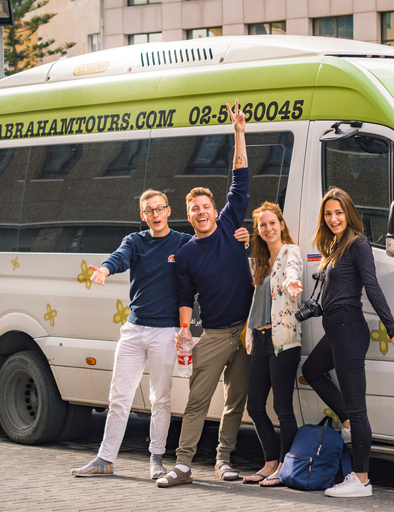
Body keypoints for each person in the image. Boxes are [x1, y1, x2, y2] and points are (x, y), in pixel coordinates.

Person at [71, 189, 249, 479]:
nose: (155, 214)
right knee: (118, 397)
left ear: (169, 211)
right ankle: (105, 458)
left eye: (160, 209)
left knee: (160, 399)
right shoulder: (134, 241)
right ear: (143, 216)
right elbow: (119, 257)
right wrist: (104, 269)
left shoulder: (183, 243)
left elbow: (214, 246)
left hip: (165, 333)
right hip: (134, 329)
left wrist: (242, 237)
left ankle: (156, 459)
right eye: (149, 211)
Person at [157, 100, 254, 488]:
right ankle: (182, 464)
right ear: (189, 214)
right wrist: (184, 329)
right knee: (198, 400)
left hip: (245, 332)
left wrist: (239, 133)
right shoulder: (185, 254)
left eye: (206, 206)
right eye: (195, 208)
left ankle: (224, 460)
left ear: (216, 209)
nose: (202, 212)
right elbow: (185, 297)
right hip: (213, 335)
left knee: (236, 401)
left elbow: (240, 179)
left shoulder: (232, 225)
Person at [301, 187, 394, 498]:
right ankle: (347, 420)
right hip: (336, 328)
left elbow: (372, 287)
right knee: (311, 370)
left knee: (358, 407)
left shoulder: (358, 244)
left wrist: (393, 329)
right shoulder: (334, 245)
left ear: (349, 213)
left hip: (349, 328)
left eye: (339, 212)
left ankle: (361, 479)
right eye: (328, 213)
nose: (334, 218)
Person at [241, 202, 303, 487]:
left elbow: (293, 271)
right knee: (254, 405)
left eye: (271, 223)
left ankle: (284, 467)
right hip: (261, 339)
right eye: (262, 225)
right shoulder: (258, 258)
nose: (267, 229)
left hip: (283, 342)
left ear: (281, 224)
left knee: (282, 407)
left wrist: (292, 283)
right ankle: (269, 464)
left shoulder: (291, 251)